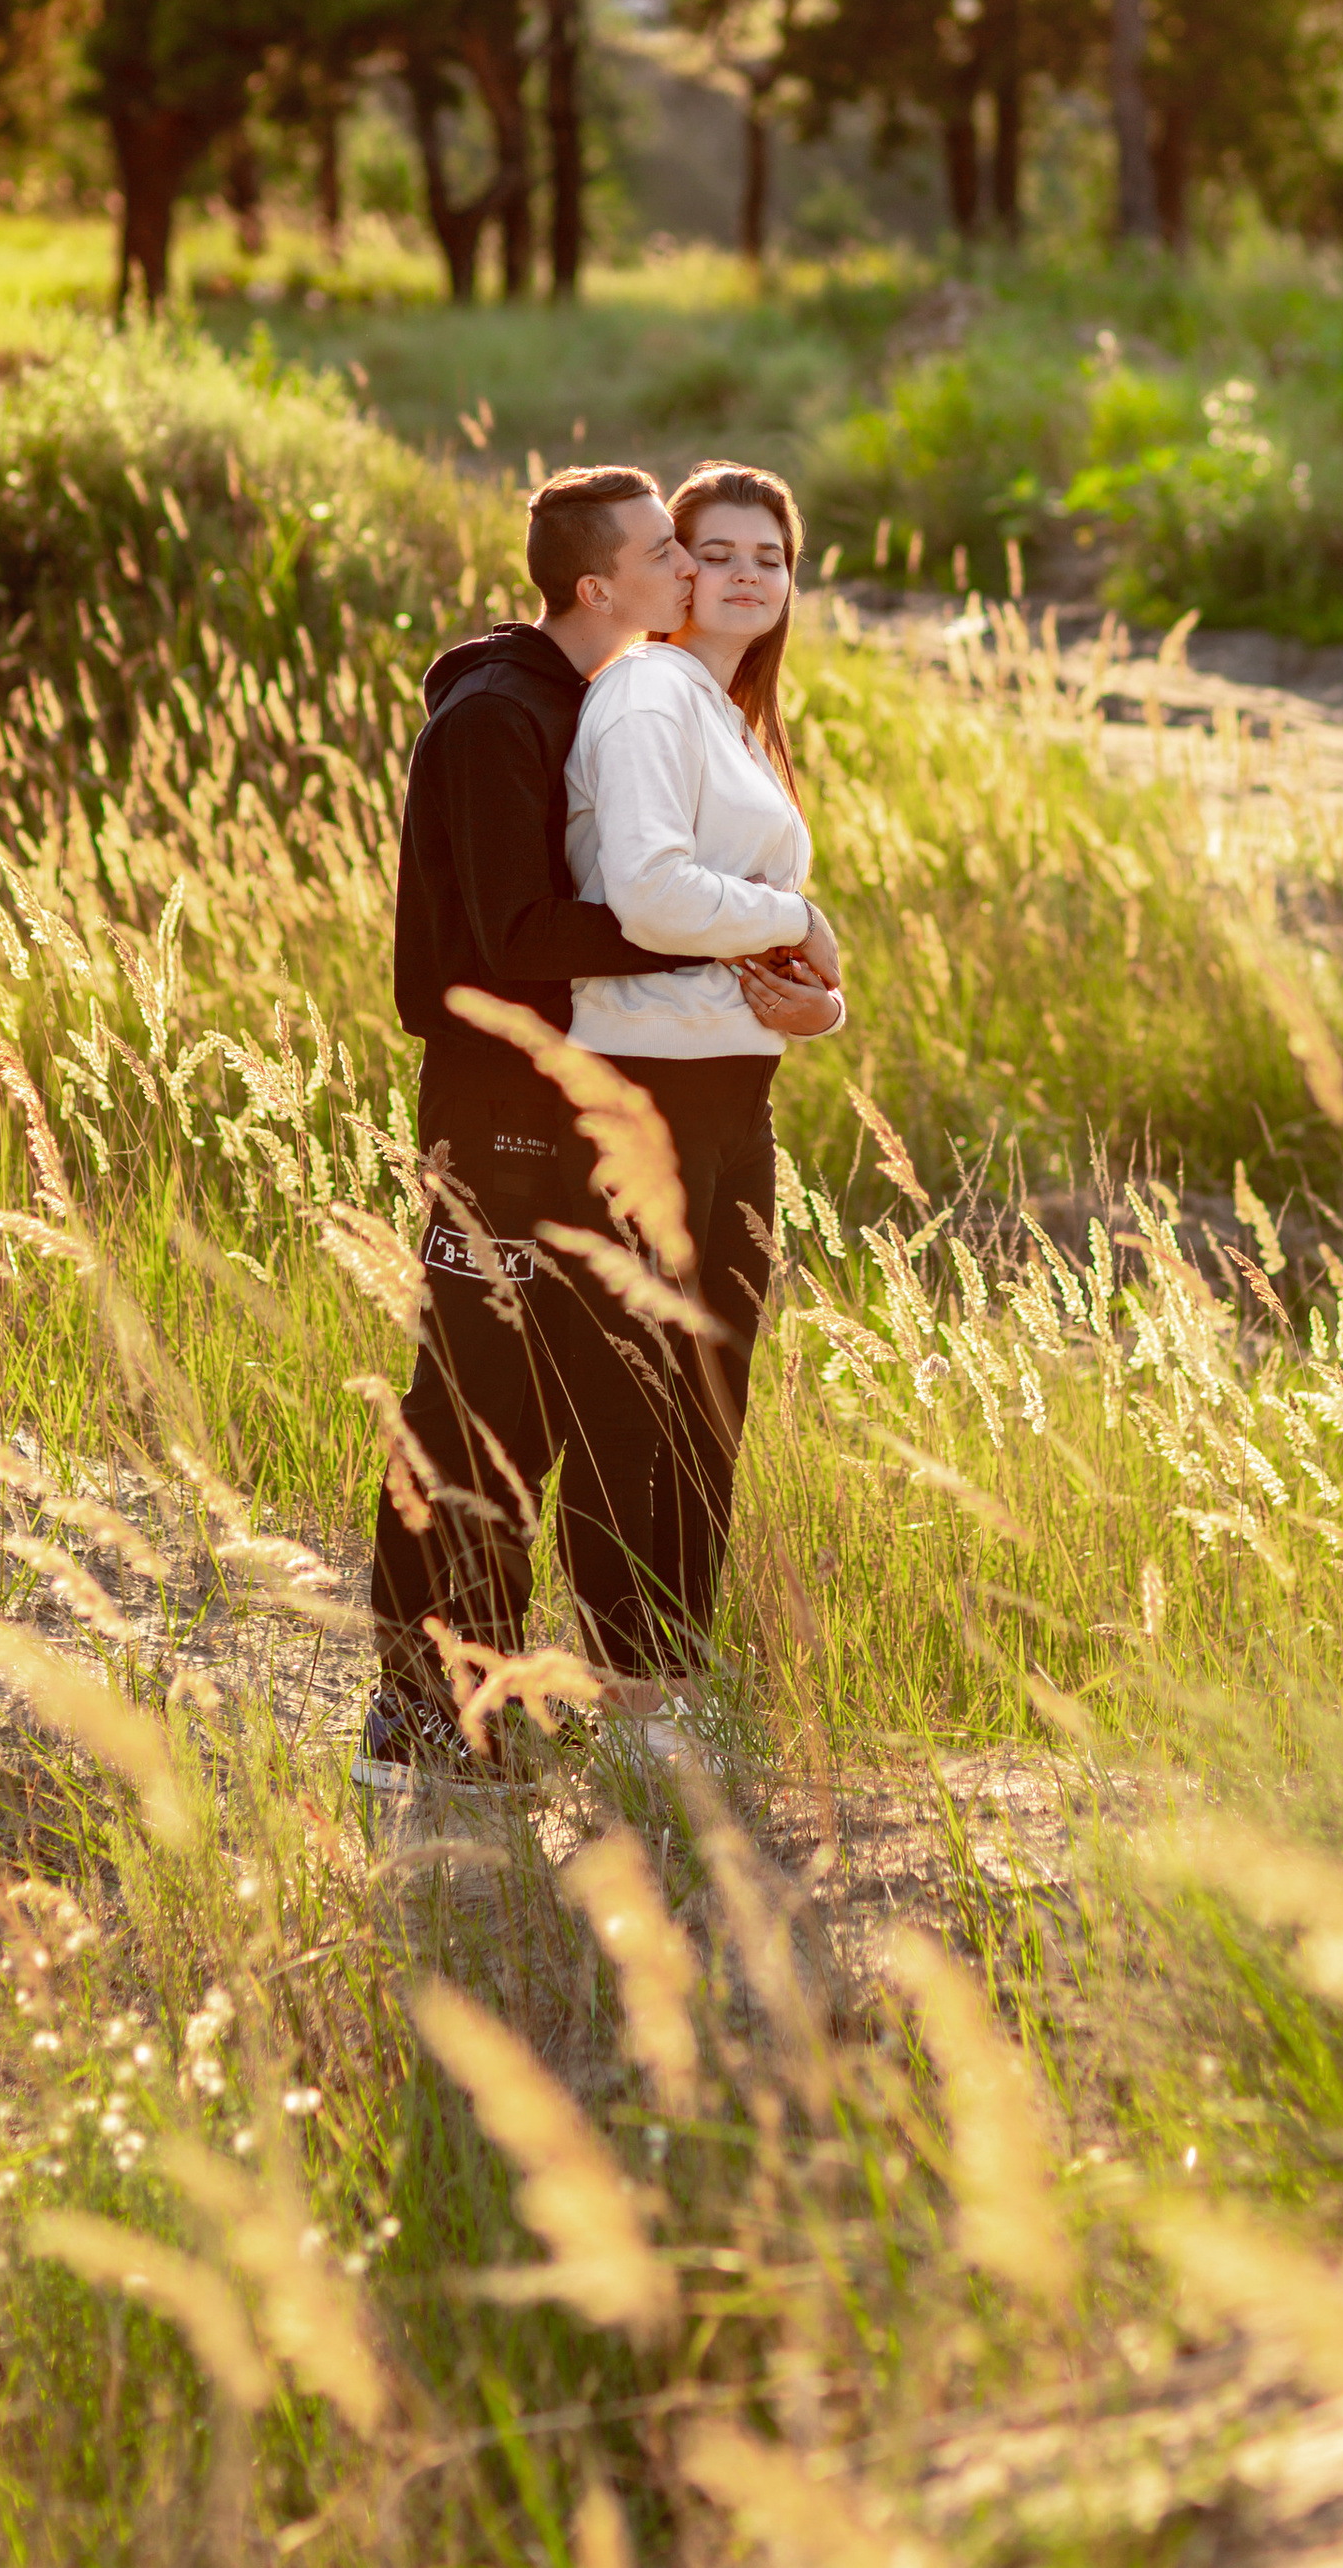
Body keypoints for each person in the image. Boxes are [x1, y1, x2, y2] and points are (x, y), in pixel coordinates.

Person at [354, 464, 833, 1792]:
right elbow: (515, 938)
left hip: (570, 1112)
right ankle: (414, 1713)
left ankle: (516, 1696)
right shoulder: (499, 717)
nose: (694, 569)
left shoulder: (600, 701)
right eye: (669, 552)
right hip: (492, 1108)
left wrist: (731, 950)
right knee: (471, 1414)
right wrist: (733, 924)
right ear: (599, 583)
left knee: (578, 1410)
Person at [563, 459, 843, 1703]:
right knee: (638, 1397)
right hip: (643, 1088)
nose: (743, 575)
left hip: (735, 1092)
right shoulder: (648, 699)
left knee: (710, 1395)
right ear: (671, 571)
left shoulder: (732, 718)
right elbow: (650, 893)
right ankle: (630, 1697)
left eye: (768, 559)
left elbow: (749, 937)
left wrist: (818, 1003)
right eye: (714, 552)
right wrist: (796, 912)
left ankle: (673, 1682)